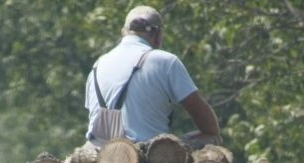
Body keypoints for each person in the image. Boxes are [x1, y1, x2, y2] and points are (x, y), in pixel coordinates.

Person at [84, 5, 221, 149]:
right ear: (158, 35)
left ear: (123, 32)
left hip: (99, 153)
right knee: (212, 137)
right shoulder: (166, 61)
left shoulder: (97, 65)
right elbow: (206, 123)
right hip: (147, 155)